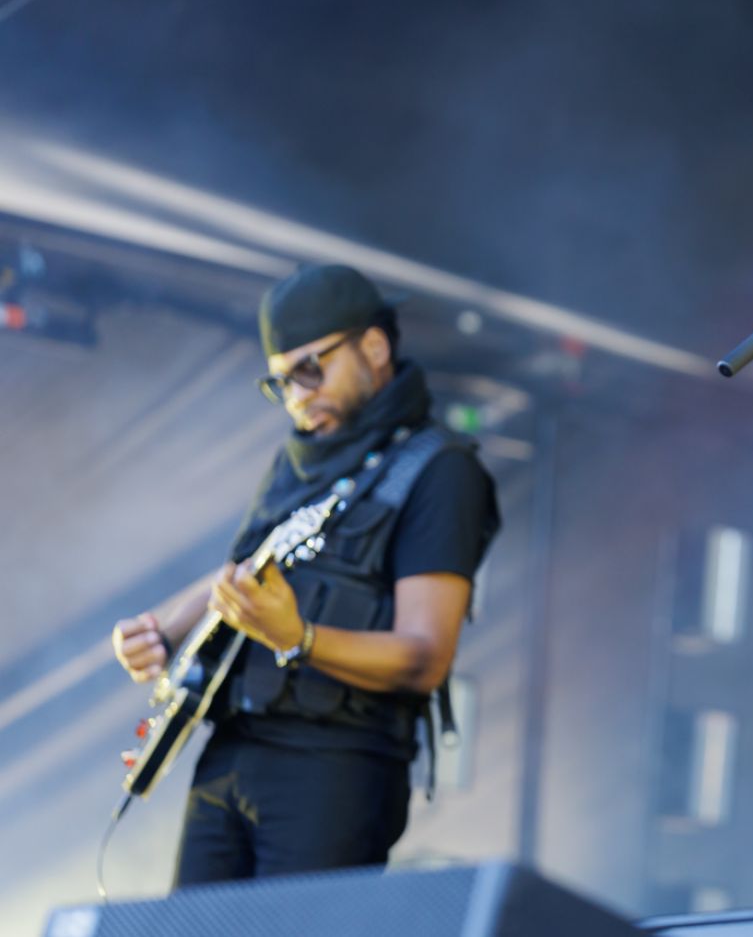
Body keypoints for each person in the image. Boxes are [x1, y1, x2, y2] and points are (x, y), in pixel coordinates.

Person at [111, 264, 499, 886]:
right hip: (230, 751)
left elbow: (425, 657)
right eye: (280, 381)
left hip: (335, 766)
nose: (297, 395)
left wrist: (299, 637)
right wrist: (163, 628)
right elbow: (243, 571)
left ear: (373, 347)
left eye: (310, 370)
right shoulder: (296, 462)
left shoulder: (441, 472)